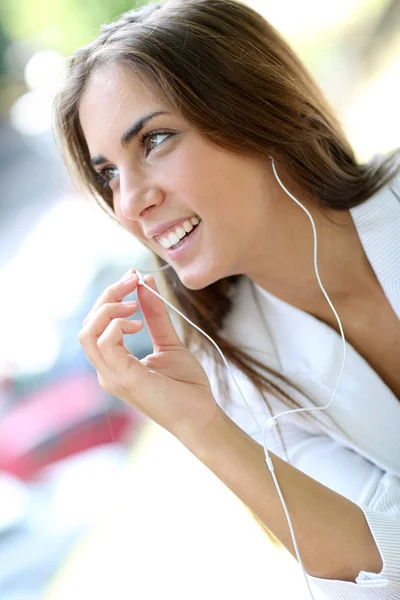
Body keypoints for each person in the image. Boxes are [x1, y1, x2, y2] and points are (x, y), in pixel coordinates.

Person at [54, 0, 400, 598]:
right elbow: (380, 569)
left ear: (259, 109)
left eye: (156, 140)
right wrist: (201, 424)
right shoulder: (233, 368)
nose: (130, 201)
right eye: (107, 173)